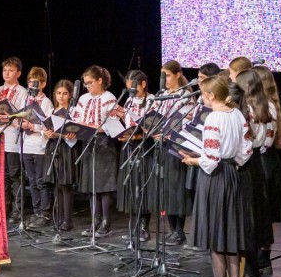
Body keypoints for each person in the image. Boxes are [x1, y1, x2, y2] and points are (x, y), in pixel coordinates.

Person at [181, 75, 252, 277]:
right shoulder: (238, 114)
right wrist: (234, 163)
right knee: (229, 234)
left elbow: (210, 160)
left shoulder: (213, 118)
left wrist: (193, 161)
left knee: (216, 236)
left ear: (211, 95)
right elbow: (247, 149)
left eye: (203, 94)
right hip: (232, 175)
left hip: (215, 179)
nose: (202, 98)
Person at [233, 69, 275, 277]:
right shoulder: (268, 106)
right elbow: (268, 141)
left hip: (244, 163)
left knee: (245, 216)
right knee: (256, 214)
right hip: (258, 161)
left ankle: (248, 269)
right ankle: (255, 267)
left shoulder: (243, 110)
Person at [73, 65, 120, 238]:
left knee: (104, 186)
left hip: (104, 144)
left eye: (90, 83)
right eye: (85, 84)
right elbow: (77, 118)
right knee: (91, 185)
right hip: (87, 142)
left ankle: (106, 223)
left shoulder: (109, 98)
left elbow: (112, 124)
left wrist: (96, 128)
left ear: (100, 81)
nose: (88, 86)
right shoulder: (84, 98)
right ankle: (94, 221)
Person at [149, 60, 192, 245]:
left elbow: (187, 123)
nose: (164, 79)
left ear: (177, 74)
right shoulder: (162, 95)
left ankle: (179, 230)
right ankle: (171, 228)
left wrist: (168, 134)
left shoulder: (185, 96)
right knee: (164, 188)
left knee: (176, 188)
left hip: (176, 147)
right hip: (161, 147)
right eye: (162, 76)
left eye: (167, 75)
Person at [0, 56, 29, 223]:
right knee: (1, 176)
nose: (7, 73)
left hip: (12, 138)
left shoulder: (22, 91)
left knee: (15, 175)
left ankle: (18, 210)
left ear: (18, 73)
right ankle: (4, 208)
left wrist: (10, 117)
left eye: (11, 70)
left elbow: (23, 114)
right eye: (5, 70)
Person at [252, 64, 281, 274]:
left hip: (265, 162)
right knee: (263, 211)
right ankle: (261, 255)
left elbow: (264, 141)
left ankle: (263, 256)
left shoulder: (267, 107)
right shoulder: (266, 104)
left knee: (265, 211)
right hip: (265, 161)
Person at [115, 70, 153, 243]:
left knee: (143, 184)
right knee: (131, 184)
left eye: (134, 86)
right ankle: (133, 225)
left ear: (143, 84)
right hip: (129, 145)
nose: (131, 90)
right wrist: (121, 118)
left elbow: (153, 126)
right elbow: (129, 122)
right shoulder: (129, 100)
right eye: (128, 87)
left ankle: (144, 226)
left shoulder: (152, 100)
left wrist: (138, 135)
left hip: (144, 146)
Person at [20, 66, 55, 228]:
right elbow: (18, 117)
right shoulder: (25, 100)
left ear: (42, 84)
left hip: (40, 147)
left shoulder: (46, 102)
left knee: (42, 182)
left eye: (36, 82)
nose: (32, 85)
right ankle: (36, 212)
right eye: (29, 82)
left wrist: (32, 127)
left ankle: (45, 213)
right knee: (32, 181)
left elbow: (49, 126)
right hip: (26, 145)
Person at [43, 79, 79, 231]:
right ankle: (58, 219)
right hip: (53, 147)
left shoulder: (73, 111)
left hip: (66, 148)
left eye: (65, 93)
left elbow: (75, 133)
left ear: (70, 95)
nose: (61, 96)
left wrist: (64, 135)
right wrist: (47, 133)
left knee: (65, 185)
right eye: (58, 93)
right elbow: (44, 128)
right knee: (57, 185)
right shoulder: (52, 111)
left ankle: (67, 220)